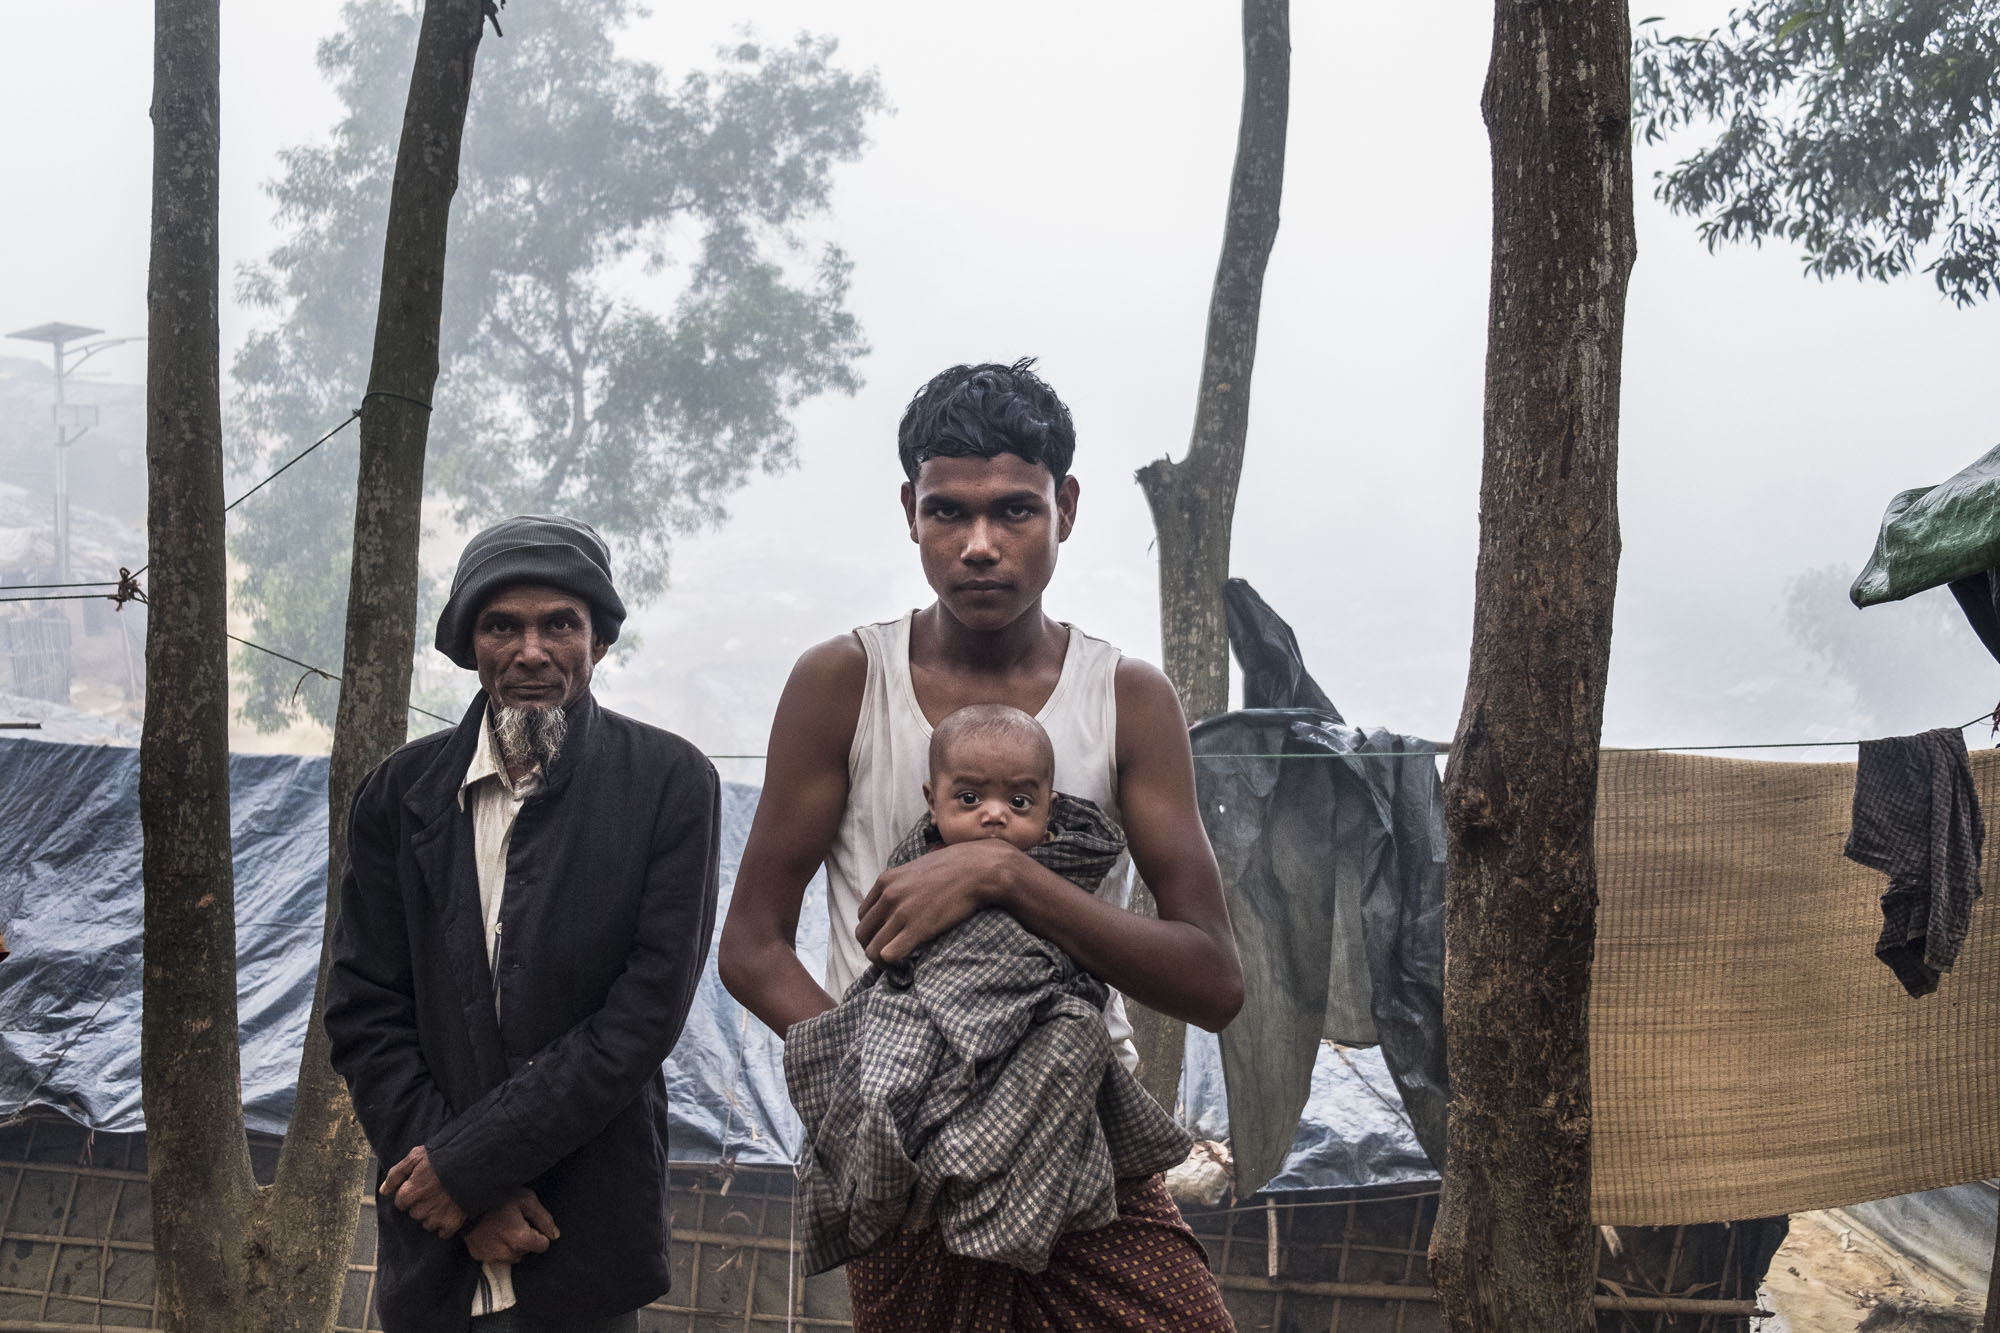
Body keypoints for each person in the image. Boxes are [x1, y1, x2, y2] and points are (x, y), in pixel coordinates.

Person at [720, 359, 1244, 1330]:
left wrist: (1003, 872)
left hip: (1082, 1130)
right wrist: (874, 1089)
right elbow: (750, 943)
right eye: (945, 512)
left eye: (1013, 511)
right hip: (904, 1158)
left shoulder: (1124, 697)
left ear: (1067, 507)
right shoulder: (845, 680)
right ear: (908, 513)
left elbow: (1212, 979)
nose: (977, 545)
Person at [325, 515, 720, 1333]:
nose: (531, 651)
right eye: (503, 625)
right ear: (471, 645)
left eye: (559, 625)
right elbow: (366, 1009)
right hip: (435, 1235)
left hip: (581, 1231)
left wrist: (467, 1167)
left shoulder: (669, 784)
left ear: (599, 642)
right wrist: (463, 1197)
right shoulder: (400, 795)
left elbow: (641, 1017)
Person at [785, 704, 1191, 1276]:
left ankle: (1008, 1219)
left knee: (1076, 1035)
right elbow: (887, 959)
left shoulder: (1065, 863)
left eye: (1019, 803)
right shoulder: (913, 867)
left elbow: (1205, 982)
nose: (995, 816)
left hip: (1052, 1067)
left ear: (1049, 807)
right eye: (970, 800)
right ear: (933, 800)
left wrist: (1006, 875)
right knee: (879, 1090)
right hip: (918, 1171)